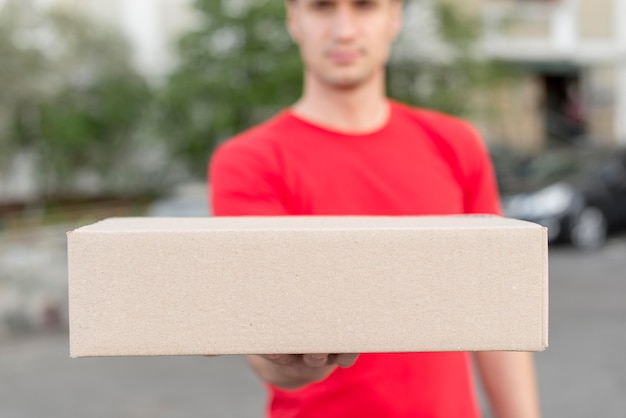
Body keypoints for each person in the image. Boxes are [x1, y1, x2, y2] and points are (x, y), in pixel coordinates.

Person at [209, 0, 541, 416]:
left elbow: (497, 309)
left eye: (365, 6)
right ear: (294, 19)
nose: (344, 30)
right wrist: (288, 360)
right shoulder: (251, 161)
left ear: (394, 17)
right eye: (322, 7)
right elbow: (262, 341)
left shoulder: (455, 144)